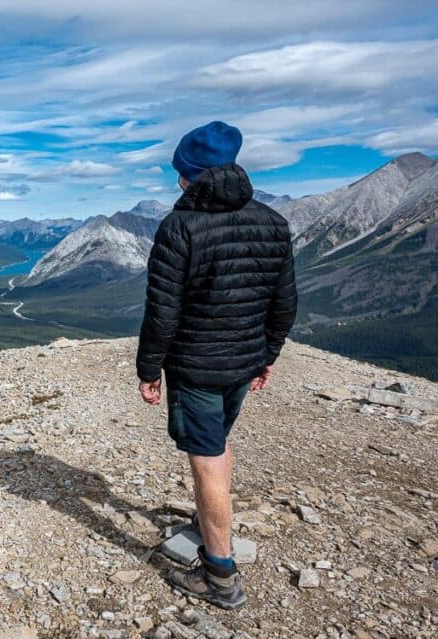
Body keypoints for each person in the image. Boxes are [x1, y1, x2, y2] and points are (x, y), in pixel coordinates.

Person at [135, 120, 297, 609]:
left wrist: (148, 370)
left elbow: (162, 312)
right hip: (243, 363)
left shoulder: (178, 226)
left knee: (205, 460)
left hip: (197, 367)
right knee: (218, 445)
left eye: (179, 171)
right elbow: (284, 303)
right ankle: (209, 522)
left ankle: (220, 575)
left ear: (190, 173)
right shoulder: (273, 221)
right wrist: (266, 355)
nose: (177, 181)